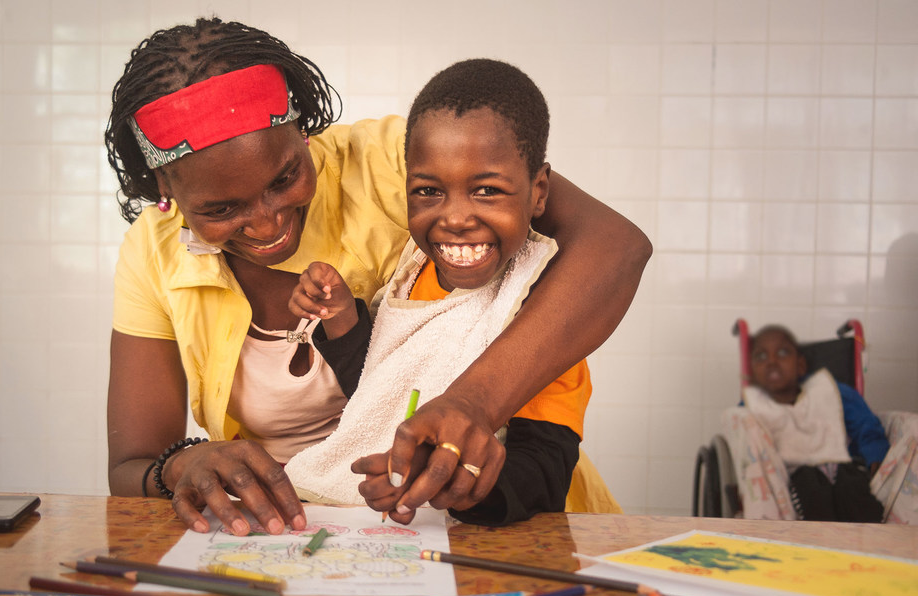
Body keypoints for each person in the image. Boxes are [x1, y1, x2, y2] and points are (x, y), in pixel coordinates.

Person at [105, 17, 651, 535]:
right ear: (166, 194)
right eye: (221, 209)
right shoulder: (153, 253)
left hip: (501, 522)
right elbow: (131, 467)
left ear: (303, 132)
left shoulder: (403, 161)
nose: (268, 222)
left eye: (286, 177)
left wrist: (472, 404)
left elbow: (614, 247)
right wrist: (182, 464)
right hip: (305, 535)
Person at [285, 58, 589, 526]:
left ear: (539, 190)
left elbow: (545, 470)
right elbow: (379, 395)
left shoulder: (543, 306)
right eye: (428, 192)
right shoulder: (412, 273)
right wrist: (343, 318)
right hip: (380, 533)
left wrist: (458, 483)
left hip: (488, 546)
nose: (455, 218)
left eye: (487, 190)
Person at [742, 325, 887, 522]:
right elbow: (743, 445)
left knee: (853, 487)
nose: (772, 362)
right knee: (810, 486)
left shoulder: (830, 391)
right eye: (761, 356)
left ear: (800, 365)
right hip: (792, 476)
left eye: (783, 353)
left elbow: (866, 425)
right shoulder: (751, 407)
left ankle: (867, 541)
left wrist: (875, 453)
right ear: (753, 371)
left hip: (841, 468)